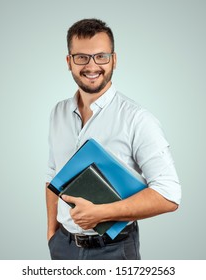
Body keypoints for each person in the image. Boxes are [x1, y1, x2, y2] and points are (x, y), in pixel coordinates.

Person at [45, 18, 181, 260]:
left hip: (113, 249)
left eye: (101, 56)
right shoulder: (58, 112)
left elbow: (169, 195)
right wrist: (52, 234)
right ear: (69, 62)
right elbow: (52, 176)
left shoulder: (138, 120)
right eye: (82, 57)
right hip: (63, 246)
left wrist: (101, 213)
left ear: (114, 60)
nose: (92, 65)